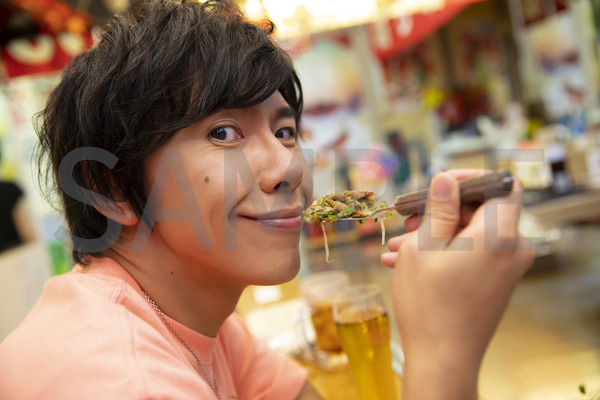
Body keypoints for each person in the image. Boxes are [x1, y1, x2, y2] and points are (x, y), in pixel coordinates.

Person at [0, 1, 533, 399]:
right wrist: (442, 348)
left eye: (284, 132)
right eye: (224, 133)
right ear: (111, 188)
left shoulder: (199, 318)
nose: (290, 168)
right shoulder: (123, 381)